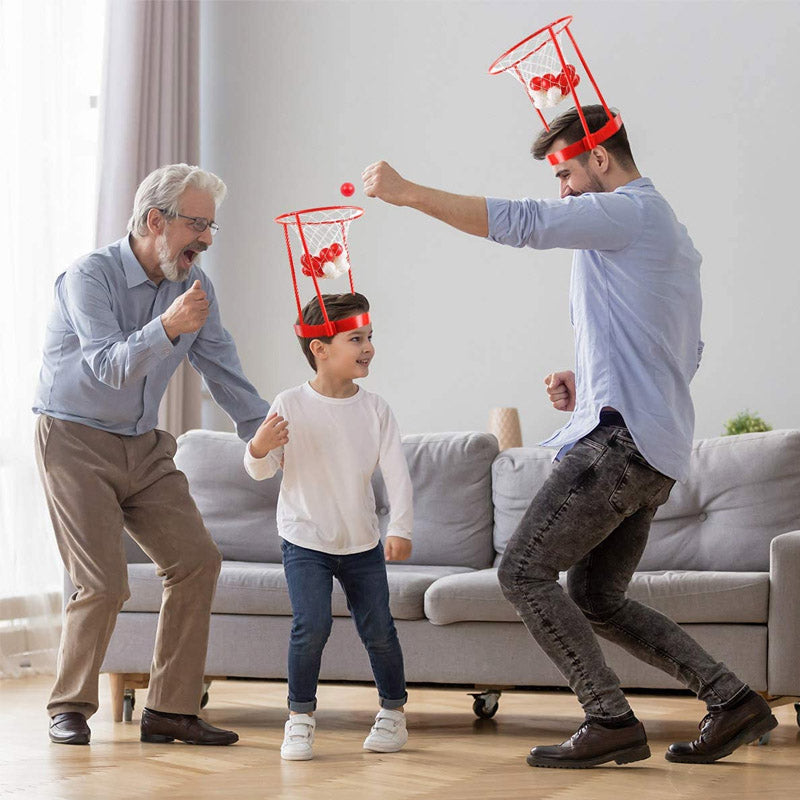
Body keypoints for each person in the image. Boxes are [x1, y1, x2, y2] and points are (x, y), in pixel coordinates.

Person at [361, 105, 777, 768]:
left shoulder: (627, 211)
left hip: (619, 446)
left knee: (521, 570)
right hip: (652, 448)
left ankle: (608, 719)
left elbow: (527, 223)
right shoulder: (664, 229)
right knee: (596, 597)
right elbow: (681, 351)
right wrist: (590, 385)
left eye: (566, 172)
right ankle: (732, 700)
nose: (562, 191)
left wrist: (409, 194)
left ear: (602, 160)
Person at [33, 164, 271, 746]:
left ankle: (170, 709)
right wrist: (165, 326)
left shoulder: (197, 287)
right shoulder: (89, 276)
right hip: (73, 440)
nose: (207, 239)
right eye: (197, 224)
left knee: (196, 560)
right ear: (154, 220)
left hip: (144, 445)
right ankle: (69, 705)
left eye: (212, 227)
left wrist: (264, 429)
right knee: (103, 580)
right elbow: (107, 366)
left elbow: (222, 369)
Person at [243, 292, 413, 761]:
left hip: (361, 541)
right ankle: (299, 719)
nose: (368, 347)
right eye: (356, 338)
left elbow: (397, 473)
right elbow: (261, 469)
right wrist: (258, 446)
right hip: (305, 538)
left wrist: (400, 527)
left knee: (379, 630)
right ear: (320, 348)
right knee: (311, 626)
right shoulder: (289, 403)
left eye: (370, 337)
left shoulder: (376, 409)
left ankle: (393, 715)